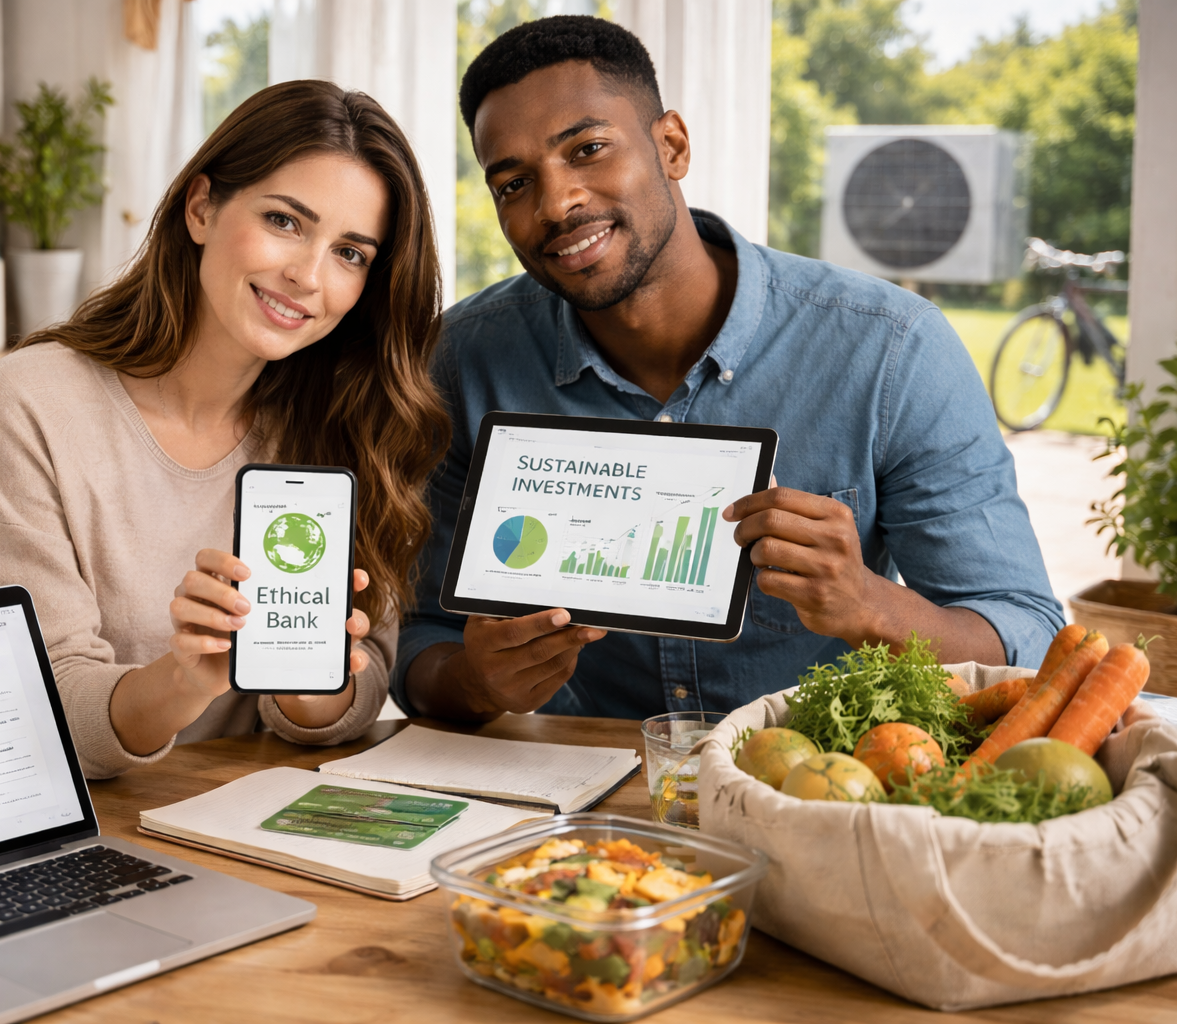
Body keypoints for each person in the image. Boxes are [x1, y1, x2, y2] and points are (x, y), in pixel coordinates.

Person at [395, 16, 1063, 723]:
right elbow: (417, 638)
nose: (556, 204)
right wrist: (477, 682)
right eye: (513, 184)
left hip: (819, 783)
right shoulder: (460, 361)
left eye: (588, 149)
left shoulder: (891, 349)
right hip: (571, 795)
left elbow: (1026, 635)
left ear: (672, 145)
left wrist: (869, 603)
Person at [0, 80, 448, 778]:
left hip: (260, 818)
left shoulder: (349, 420)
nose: (308, 275)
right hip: (88, 831)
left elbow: (360, 691)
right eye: (284, 221)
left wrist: (311, 682)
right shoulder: (29, 404)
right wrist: (188, 677)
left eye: (350, 253)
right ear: (202, 208)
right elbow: (43, 700)